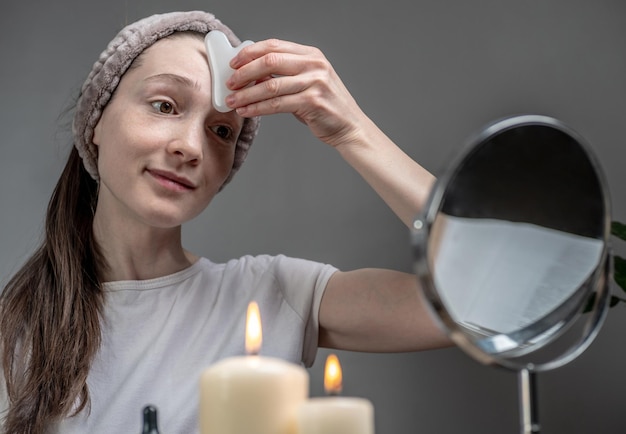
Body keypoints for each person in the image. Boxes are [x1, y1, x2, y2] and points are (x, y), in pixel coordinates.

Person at [0, 10, 449, 434]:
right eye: (164, 105)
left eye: (221, 131)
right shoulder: (15, 329)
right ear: (96, 119)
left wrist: (352, 131)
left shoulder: (276, 297)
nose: (191, 147)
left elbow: (495, 304)